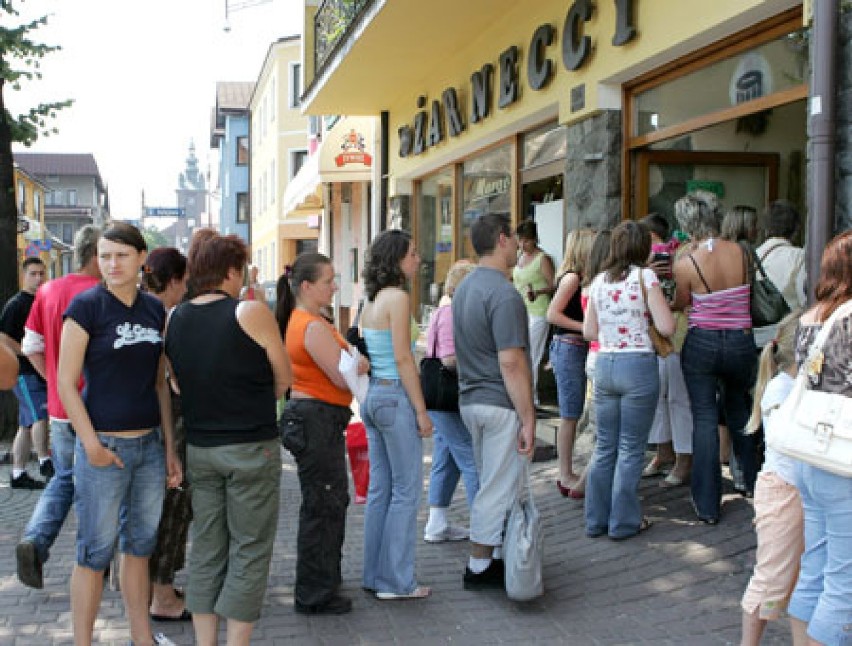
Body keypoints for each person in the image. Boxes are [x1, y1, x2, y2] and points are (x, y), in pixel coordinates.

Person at [165, 229, 291, 646]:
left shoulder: (175, 319)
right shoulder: (249, 312)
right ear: (232, 272)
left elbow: (177, 386)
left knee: (207, 548)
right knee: (249, 550)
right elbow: (283, 379)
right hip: (250, 447)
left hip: (201, 449)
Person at [57, 222, 182, 646]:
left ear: (142, 258)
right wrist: (90, 444)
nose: (111, 263)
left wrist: (168, 448)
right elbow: (64, 381)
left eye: (121, 255)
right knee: (94, 553)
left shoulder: (153, 310)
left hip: (148, 448)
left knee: (140, 549)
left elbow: (160, 383)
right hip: (103, 450)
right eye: (105, 255)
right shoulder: (86, 307)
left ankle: (142, 638)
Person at [277, 252, 369, 615]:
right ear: (307, 286)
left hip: (317, 417)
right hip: (316, 418)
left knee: (327, 501)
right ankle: (315, 591)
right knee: (324, 503)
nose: (334, 287)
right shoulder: (310, 325)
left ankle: (322, 580)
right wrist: (358, 362)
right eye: (329, 281)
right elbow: (341, 373)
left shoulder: (311, 320)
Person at [453, 213, 536, 590]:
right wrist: (529, 416)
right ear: (502, 239)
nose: (519, 244)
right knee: (498, 485)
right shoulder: (503, 293)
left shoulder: (465, 288)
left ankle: (494, 555)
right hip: (499, 401)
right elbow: (511, 361)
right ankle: (479, 564)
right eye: (515, 238)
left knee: (492, 480)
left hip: (471, 399)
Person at [16, 224, 102, 590]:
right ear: (97, 255)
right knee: (101, 484)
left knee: (65, 478)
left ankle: (36, 539)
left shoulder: (48, 291)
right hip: (100, 408)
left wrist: (54, 380)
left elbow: (30, 344)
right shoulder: (105, 293)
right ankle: (97, 559)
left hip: (60, 407)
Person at [583, 221, 675, 540]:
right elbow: (667, 327)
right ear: (642, 248)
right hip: (637, 364)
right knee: (631, 448)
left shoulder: (598, 281)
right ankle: (623, 522)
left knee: (605, 446)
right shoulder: (644, 276)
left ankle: (596, 519)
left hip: (605, 364)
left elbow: (588, 331)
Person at [673, 190, 758, 524]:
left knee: (705, 419)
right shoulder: (741, 251)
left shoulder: (685, 264)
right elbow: (747, 294)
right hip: (740, 341)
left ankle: (708, 504)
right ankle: (751, 482)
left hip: (702, 343)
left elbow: (682, 304)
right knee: (741, 410)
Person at [359, 229, 434, 600]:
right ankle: (397, 582)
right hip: (394, 396)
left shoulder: (370, 300)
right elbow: (405, 359)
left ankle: (375, 575)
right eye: (412, 254)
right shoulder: (398, 298)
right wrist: (422, 411)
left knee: (380, 491)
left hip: (373, 397)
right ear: (396, 260)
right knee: (406, 492)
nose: (418, 260)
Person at [786, 230, 852, 646]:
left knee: (815, 566)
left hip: (811, 452)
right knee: (845, 581)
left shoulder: (813, 316)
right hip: (843, 459)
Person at [739, 311, 803, 646]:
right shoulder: (781, 390)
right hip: (784, 493)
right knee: (773, 577)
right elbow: (784, 441)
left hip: (801, 492)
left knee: (803, 577)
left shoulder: (791, 387)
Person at [142, 248, 193, 623]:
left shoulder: (138, 310)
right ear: (174, 280)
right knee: (173, 509)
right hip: (165, 427)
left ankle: (155, 588)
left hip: (141, 426)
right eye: (185, 280)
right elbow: (170, 379)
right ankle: (160, 593)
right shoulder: (161, 317)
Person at [423, 259, 479, 542]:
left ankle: (437, 523)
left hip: (440, 398)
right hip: (447, 396)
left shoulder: (445, 310)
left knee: (446, 457)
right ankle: (485, 527)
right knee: (470, 458)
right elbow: (449, 359)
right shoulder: (451, 313)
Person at [639, 214, 693, 488]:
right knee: (659, 394)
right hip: (654, 334)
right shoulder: (643, 267)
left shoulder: (683, 256)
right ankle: (664, 451)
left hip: (677, 333)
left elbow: (683, 299)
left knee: (677, 397)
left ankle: (684, 456)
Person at [546, 228, 595, 498]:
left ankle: (566, 471)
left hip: (572, 348)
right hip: (569, 347)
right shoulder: (572, 278)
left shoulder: (574, 278)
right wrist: (585, 328)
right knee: (569, 414)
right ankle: (564, 472)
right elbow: (553, 314)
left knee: (571, 413)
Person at [0, 257, 51, 489]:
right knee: (40, 415)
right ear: (24, 275)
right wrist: (29, 353)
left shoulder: (44, 300)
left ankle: (18, 473)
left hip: (39, 371)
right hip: (24, 373)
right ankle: (45, 460)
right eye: (33, 273)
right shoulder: (16, 305)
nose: (39, 278)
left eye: (42, 273)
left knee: (26, 425)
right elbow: (3, 339)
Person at [512, 219, 555, 405]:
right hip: (521, 311)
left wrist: (538, 292)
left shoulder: (542, 258)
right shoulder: (519, 257)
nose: (523, 245)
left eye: (527, 240)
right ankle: (523, 394)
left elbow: (554, 285)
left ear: (535, 239)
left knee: (533, 354)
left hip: (538, 311)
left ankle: (532, 397)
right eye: (520, 240)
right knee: (520, 353)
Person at [754, 200, 806, 311]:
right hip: (789, 322)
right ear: (796, 229)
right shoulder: (799, 256)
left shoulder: (755, 254)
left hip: (759, 323)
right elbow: (804, 297)